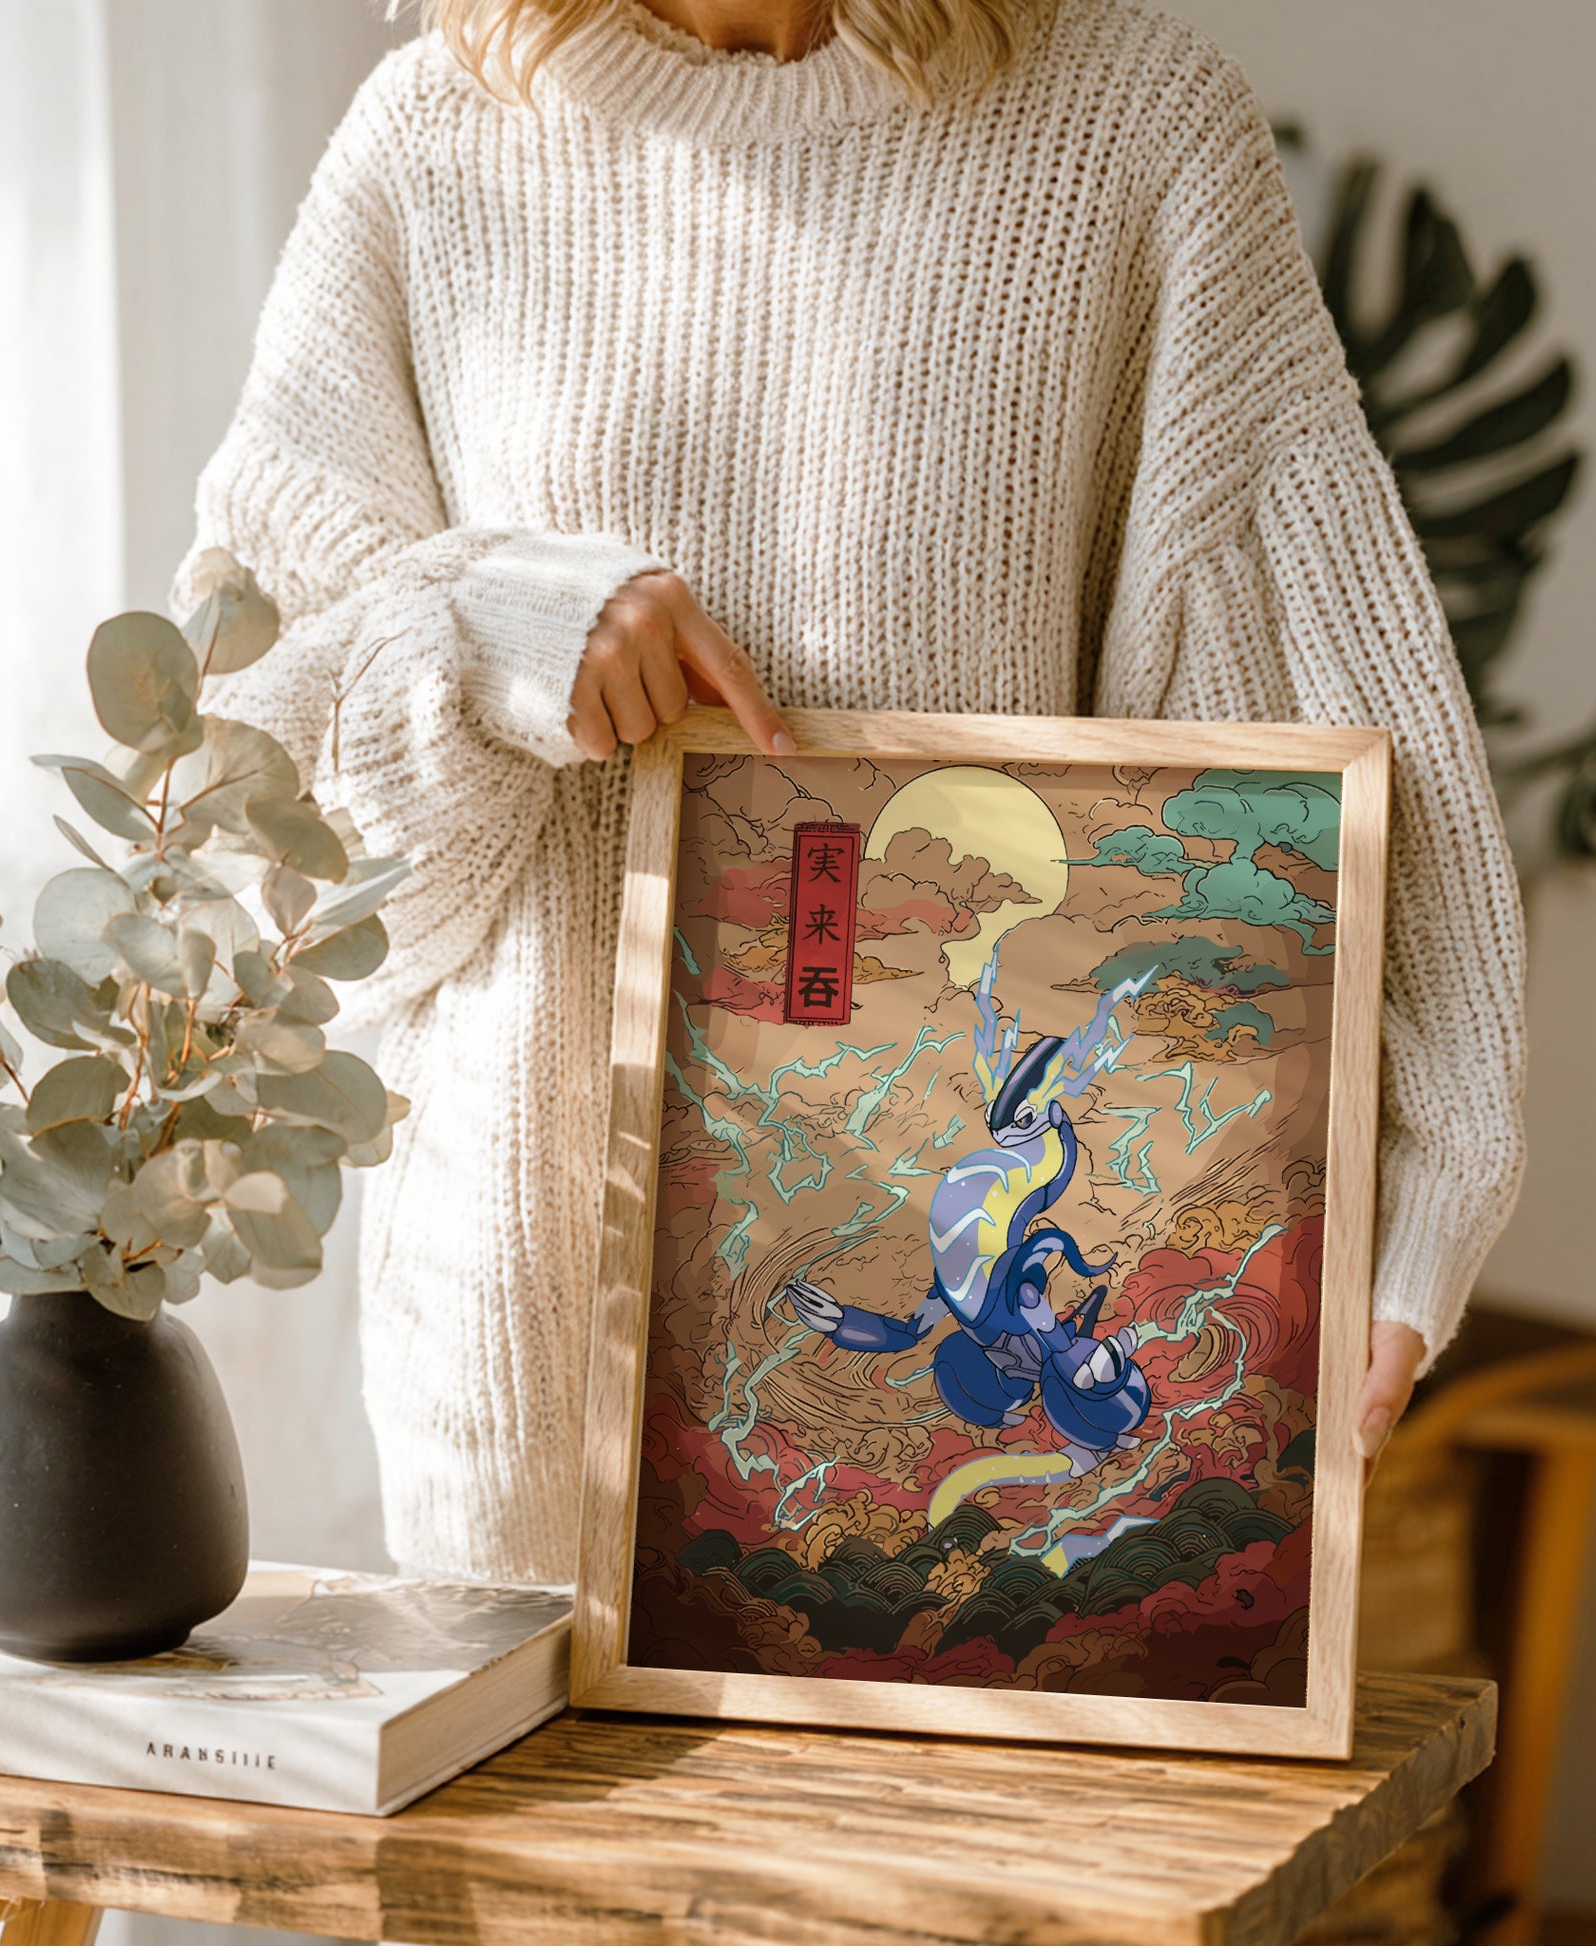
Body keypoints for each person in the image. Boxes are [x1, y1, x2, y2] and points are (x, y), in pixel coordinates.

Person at [173, 0, 1525, 1587]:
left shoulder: (1130, 128)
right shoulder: (433, 141)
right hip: (523, 1355)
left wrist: (1419, 1175)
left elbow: (1300, 721)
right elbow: (248, 826)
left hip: (967, 1382)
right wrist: (487, 626)